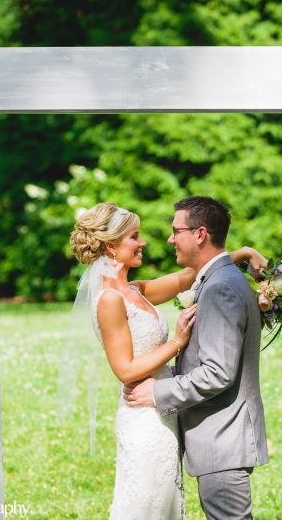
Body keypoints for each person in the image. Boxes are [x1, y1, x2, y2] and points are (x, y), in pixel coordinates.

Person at [68, 201, 267, 520]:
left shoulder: (136, 290)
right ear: (111, 245)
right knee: (146, 504)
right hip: (143, 415)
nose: (143, 242)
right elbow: (125, 370)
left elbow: (190, 276)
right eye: (134, 237)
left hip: (165, 413)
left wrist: (241, 253)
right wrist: (176, 342)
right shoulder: (108, 300)